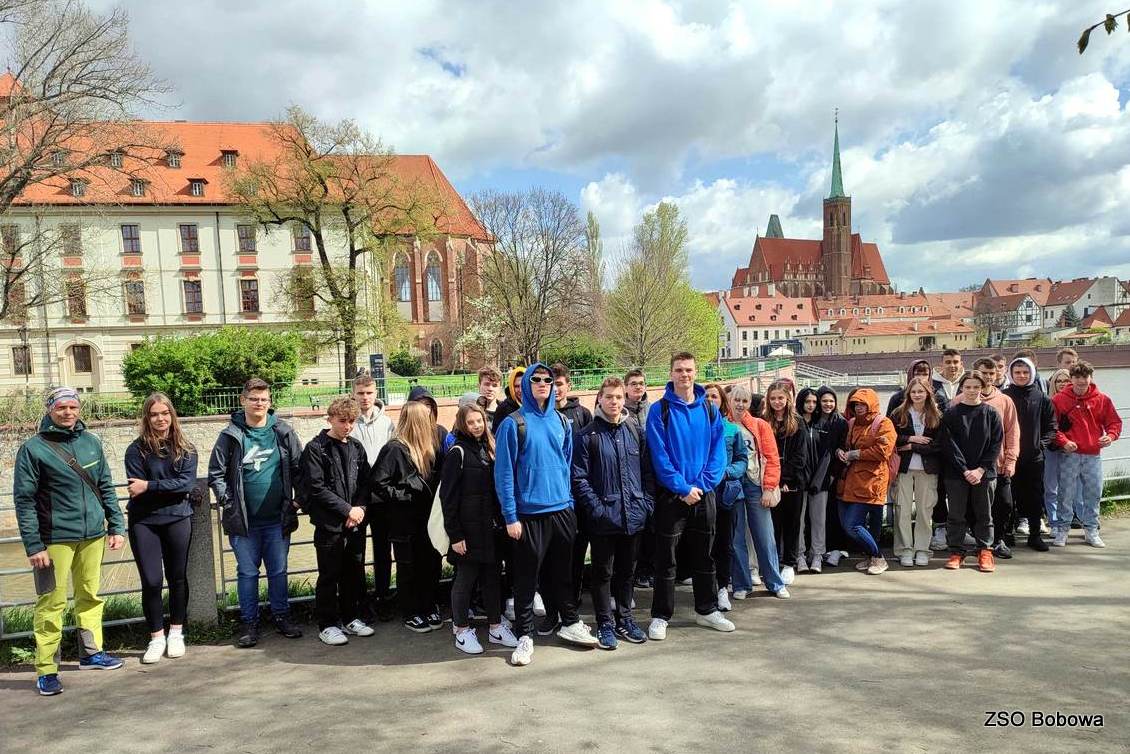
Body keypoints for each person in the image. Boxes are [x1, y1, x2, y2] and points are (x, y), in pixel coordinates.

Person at [14, 387, 126, 695]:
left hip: (93, 535)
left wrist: (116, 525)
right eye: (61, 407)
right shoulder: (34, 449)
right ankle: (47, 669)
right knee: (51, 602)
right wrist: (33, 545)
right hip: (54, 539)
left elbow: (104, 486)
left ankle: (91, 653)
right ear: (50, 409)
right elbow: (24, 501)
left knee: (90, 595)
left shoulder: (91, 443)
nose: (68, 412)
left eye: (73, 407)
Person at [496, 363, 597, 666]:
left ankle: (569, 621)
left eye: (548, 380)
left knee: (562, 574)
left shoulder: (562, 422)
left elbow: (566, 466)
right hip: (528, 514)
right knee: (527, 579)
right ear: (526, 384)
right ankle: (524, 634)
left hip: (561, 511)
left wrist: (568, 504)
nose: (543, 384)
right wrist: (511, 516)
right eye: (536, 379)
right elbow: (503, 474)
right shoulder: (513, 424)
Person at [208, 378, 304, 648]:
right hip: (244, 522)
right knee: (247, 573)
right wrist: (229, 501)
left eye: (263, 399)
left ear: (270, 402)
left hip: (278, 518)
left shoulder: (283, 432)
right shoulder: (230, 435)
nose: (259, 403)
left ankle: (282, 617)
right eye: (253, 399)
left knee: (278, 571)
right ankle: (249, 622)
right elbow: (216, 473)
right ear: (243, 401)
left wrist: (297, 503)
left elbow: (299, 469)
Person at [646, 352, 734, 640]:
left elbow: (718, 452)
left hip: (703, 494)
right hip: (673, 497)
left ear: (696, 373)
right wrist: (683, 488)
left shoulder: (708, 409)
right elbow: (659, 456)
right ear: (670, 373)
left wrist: (703, 485)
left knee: (704, 555)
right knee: (666, 559)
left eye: (689, 370)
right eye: (678, 370)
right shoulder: (659, 411)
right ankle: (660, 615)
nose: (684, 375)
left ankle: (707, 610)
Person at [572, 377, 654, 649]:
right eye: (609, 397)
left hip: (634, 515)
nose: (614, 402)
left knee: (627, 572)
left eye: (618, 397)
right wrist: (597, 509)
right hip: (604, 517)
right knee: (602, 573)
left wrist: (646, 504)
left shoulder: (634, 430)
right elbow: (580, 478)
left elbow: (647, 473)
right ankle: (605, 622)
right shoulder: (587, 435)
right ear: (599, 399)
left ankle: (625, 619)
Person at [124, 393, 199, 664]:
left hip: (178, 518)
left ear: (172, 415)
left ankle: (177, 632)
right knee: (152, 581)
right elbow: (136, 489)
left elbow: (187, 484)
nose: (160, 419)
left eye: (164, 413)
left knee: (178, 578)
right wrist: (166, 488)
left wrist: (151, 486)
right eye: (154, 414)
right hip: (144, 522)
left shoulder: (186, 448)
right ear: (147, 417)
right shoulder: (136, 450)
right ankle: (156, 637)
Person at [441, 403, 520, 654]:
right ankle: (461, 629)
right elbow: (448, 498)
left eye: (480, 421)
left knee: (492, 580)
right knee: (465, 580)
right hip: (468, 531)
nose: (476, 426)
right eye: (471, 422)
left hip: (491, 529)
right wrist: (455, 535)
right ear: (462, 424)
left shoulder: (491, 448)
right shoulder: (457, 452)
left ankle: (496, 626)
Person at [300, 397, 374, 646]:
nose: (348, 426)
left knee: (353, 573)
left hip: (355, 523)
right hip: (329, 524)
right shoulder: (316, 448)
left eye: (352, 421)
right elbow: (316, 488)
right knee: (329, 575)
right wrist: (347, 510)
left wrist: (361, 508)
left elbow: (366, 482)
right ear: (329, 419)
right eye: (342, 421)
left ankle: (351, 617)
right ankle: (328, 624)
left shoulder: (356, 447)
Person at [371, 401, 445, 633]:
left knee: (430, 564)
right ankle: (411, 611)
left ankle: (428, 605)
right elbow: (378, 483)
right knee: (408, 567)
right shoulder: (394, 449)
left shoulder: (428, 449)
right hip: (404, 521)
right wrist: (403, 495)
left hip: (426, 520)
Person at [540, 362, 592, 634]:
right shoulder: (538, 417)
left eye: (560, 384)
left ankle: (571, 609)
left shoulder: (582, 414)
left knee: (573, 560)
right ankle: (552, 613)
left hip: (575, 501)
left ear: (568, 386)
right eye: (551, 384)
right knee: (548, 562)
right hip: (549, 502)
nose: (556, 389)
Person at [1051, 361, 1122, 548]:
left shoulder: (1102, 399)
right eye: (1077, 377)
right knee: (1065, 493)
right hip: (1069, 454)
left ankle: (1091, 529)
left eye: (1085, 377)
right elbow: (1052, 426)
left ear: (1091, 378)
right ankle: (1063, 529)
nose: (1081, 381)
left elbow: (1114, 423)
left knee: (1093, 492)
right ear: (1071, 379)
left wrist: (1111, 436)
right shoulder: (1059, 399)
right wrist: (1063, 441)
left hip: (1093, 454)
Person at [728, 384, 788, 599]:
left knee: (765, 536)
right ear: (729, 401)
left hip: (755, 484)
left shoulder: (760, 425)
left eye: (744, 401)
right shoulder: (723, 425)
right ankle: (741, 584)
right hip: (733, 485)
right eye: (736, 400)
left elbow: (772, 458)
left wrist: (769, 488)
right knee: (736, 538)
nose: (740, 404)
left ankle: (774, 582)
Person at [942, 372, 1004, 572]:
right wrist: (964, 470)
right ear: (961, 388)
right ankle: (956, 552)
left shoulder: (991, 413)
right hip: (956, 474)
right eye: (967, 387)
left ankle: (984, 550)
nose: (971, 391)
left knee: (984, 514)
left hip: (984, 473)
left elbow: (996, 444)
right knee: (956, 514)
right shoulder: (951, 414)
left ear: (982, 389)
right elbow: (948, 444)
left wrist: (980, 469)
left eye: (976, 387)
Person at [959, 358, 1019, 559]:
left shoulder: (1004, 401)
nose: (988, 377)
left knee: (1004, 504)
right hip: (969, 467)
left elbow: (1012, 432)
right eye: (984, 373)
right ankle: (980, 542)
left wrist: (1011, 459)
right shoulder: (959, 401)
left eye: (991, 374)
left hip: (998, 464)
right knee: (973, 508)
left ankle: (998, 539)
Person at [350, 374, 396, 622]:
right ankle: (359, 600)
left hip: (380, 497)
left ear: (375, 393)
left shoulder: (388, 423)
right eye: (360, 393)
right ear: (353, 394)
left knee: (382, 549)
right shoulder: (349, 422)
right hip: (356, 497)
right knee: (356, 551)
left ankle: (382, 597)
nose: (365, 398)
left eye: (369, 393)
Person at [836, 388, 896, 575]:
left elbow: (883, 451)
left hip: (872, 481)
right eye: (855, 404)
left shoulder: (884, 423)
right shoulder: (853, 423)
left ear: (872, 404)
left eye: (863, 404)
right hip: (853, 480)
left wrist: (857, 454)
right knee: (863, 524)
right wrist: (842, 451)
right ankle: (871, 556)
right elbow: (847, 444)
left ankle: (878, 557)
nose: (859, 407)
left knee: (852, 525)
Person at [1003, 357, 1057, 552]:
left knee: (1034, 497)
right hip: (1009, 456)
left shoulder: (1042, 398)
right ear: (1011, 374)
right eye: (1017, 372)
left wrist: (1040, 445)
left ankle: (1035, 535)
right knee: (1008, 497)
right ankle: (1006, 533)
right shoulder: (1004, 396)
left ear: (1032, 373)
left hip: (1034, 457)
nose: (1022, 376)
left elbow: (1051, 427)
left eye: (1025, 372)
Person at [888, 377, 943, 567]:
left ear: (928, 393)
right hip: (903, 469)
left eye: (921, 391)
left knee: (924, 511)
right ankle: (904, 549)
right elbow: (892, 439)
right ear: (908, 394)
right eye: (913, 392)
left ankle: (922, 549)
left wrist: (912, 446)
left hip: (927, 470)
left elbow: (939, 445)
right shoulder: (898, 413)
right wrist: (911, 439)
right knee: (902, 509)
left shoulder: (936, 415)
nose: (917, 395)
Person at [761, 380, 808, 585]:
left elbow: (800, 456)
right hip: (770, 483)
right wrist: (773, 481)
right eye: (773, 398)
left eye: (780, 398)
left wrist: (785, 479)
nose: (777, 402)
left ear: (788, 399)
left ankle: (789, 563)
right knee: (772, 525)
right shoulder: (763, 421)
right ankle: (772, 563)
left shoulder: (797, 422)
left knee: (792, 524)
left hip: (792, 482)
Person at [705, 383, 743, 611]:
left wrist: (727, 472)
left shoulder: (731, 429)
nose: (710, 400)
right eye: (706, 396)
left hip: (725, 494)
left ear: (722, 401)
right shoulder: (697, 428)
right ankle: (705, 589)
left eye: (714, 396)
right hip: (702, 492)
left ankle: (722, 588)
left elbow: (741, 459)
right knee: (703, 544)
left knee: (724, 543)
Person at [1042, 368, 1074, 537]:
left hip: (1072, 448)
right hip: (1052, 449)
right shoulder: (1048, 401)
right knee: (1051, 487)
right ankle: (1054, 522)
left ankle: (1066, 521)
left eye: (1066, 380)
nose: (1062, 384)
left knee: (1069, 488)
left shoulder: (1076, 401)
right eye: (1058, 381)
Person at [492, 366, 526, 434]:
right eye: (516, 386)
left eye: (523, 385)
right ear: (511, 387)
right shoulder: (503, 409)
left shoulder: (536, 406)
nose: (520, 390)